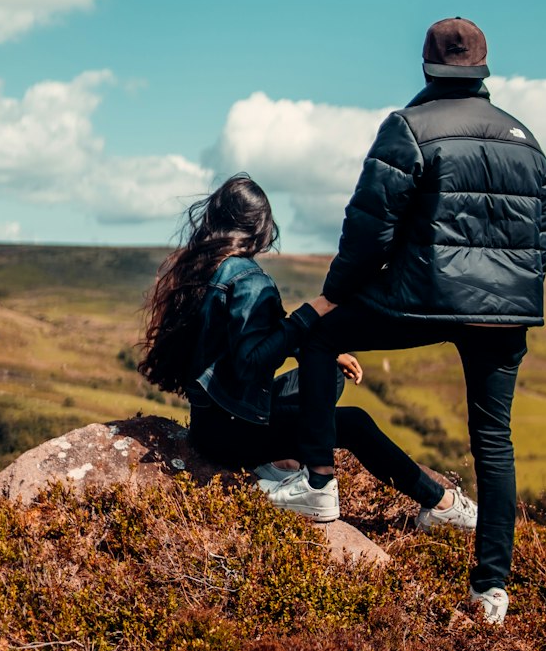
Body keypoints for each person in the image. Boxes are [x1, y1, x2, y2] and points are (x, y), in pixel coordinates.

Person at [292, 18, 546, 624]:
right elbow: (540, 238)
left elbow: (368, 226)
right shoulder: (527, 140)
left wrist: (336, 294)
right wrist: (517, 298)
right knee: (494, 442)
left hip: (422, 295)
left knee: (321, 336)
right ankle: (491, 589)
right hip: (506, 313)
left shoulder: (408, 128)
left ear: (427, 66)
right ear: (483, 69)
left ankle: (318, 488)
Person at [138, 173, 477, 528]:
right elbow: (250, 363)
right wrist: (312, 312)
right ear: (261, 228)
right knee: (354, 423)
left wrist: (321, 350)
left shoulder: (204, 269)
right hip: (233, 435)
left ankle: (281, 459)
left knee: (326, 372)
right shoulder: (248, 278)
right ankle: (441, 503)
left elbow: (251, 334)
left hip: (211, 424)